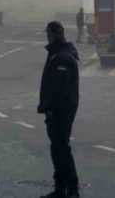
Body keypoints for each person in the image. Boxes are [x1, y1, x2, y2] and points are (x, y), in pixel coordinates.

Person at [36, 21, 80, 198]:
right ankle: (63, 188)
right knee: (59, 149)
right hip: (60, 111)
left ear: (52, 34)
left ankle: (69, 189)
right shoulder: (60, 53)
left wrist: (51, 109)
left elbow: (60, 89)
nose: (47, 37)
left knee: (61, 150)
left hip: (60, 112)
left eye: (48, 34)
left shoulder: (61, 57)